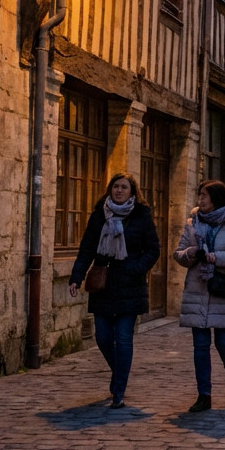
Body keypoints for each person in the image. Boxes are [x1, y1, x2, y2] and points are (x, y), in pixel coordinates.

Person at [67, 172, 161, 409]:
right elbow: (87, 248)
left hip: (130, 284)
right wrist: (76, 278)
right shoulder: (100, 214)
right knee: (103, 337)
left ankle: (119, 390)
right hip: (104, 283)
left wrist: (135, 268)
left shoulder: (141, 214)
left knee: (123, 337)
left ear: (132, 191)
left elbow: (153, 250)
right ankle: (119, 372)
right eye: (115, 187)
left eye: (124, 187)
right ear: (110, 189)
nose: (119, 191)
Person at [173, 180, 225, 412]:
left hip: (222, 290)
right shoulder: (192, 223)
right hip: (197, 290)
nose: (200, 199)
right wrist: (190, 253)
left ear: (216, 197)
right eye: (199, 194)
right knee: (200, 345)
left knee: (224, 343)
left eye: (205, 195)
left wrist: (217, 257)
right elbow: (178, 254)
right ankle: (204, 395)